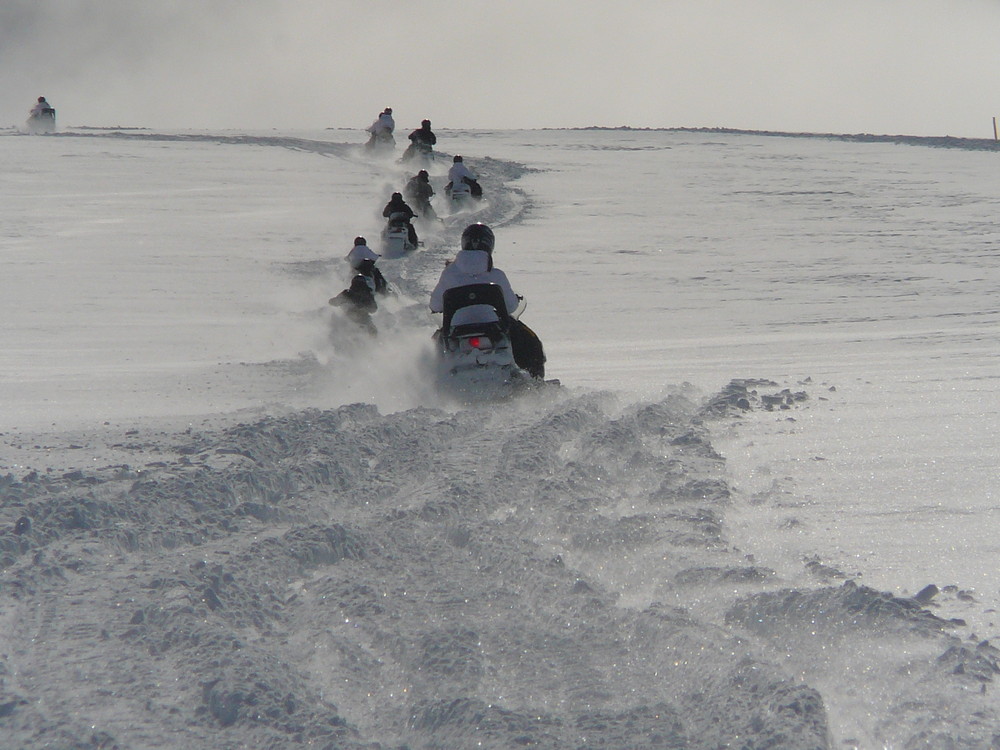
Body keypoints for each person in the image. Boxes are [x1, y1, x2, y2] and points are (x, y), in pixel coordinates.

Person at [430, 223, 545, 378]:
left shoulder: (449, 274)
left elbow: (435, 305)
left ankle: (435, 385)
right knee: (530, 342)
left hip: (456, 331)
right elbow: (511, 307)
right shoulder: (497, 275)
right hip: (494, 329)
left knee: (433, 346)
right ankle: (534, 383)